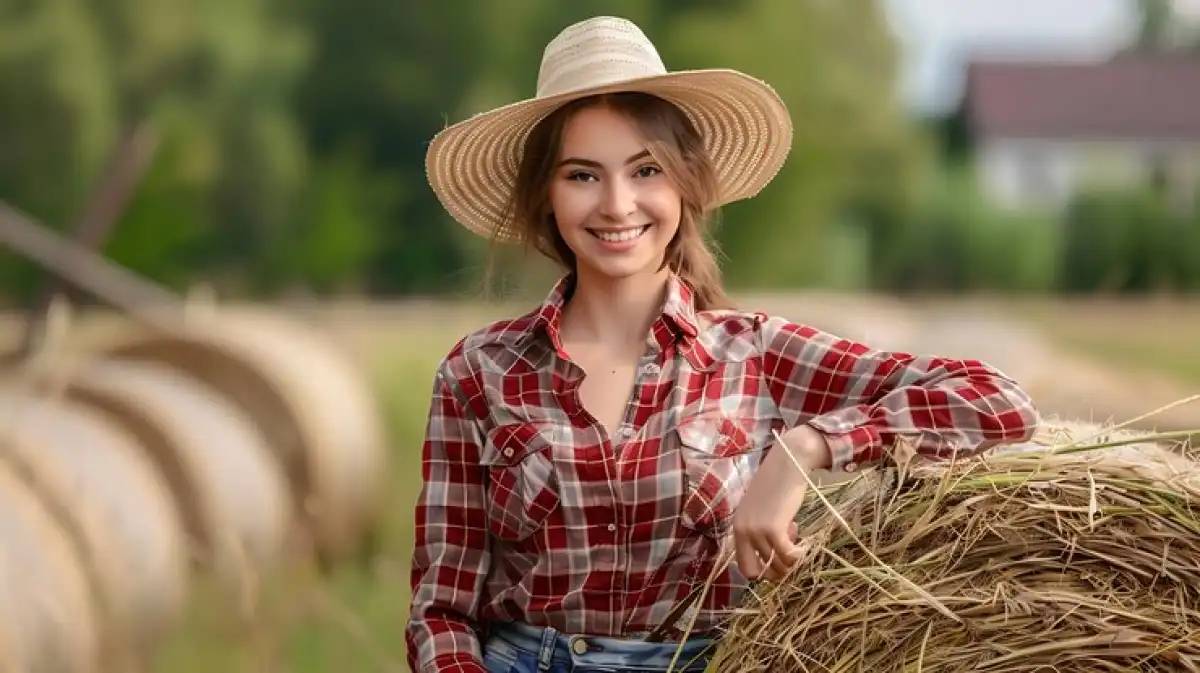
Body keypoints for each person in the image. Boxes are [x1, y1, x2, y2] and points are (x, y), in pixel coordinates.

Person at [407, 15, 1039, 673]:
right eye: (582, 175)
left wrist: (804, 448)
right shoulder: (479, 371)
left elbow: (997, 402)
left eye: (645, 169)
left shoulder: (755, 354)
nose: (618, 204)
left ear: (685, 180)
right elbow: (441, 609)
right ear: (547, 193)